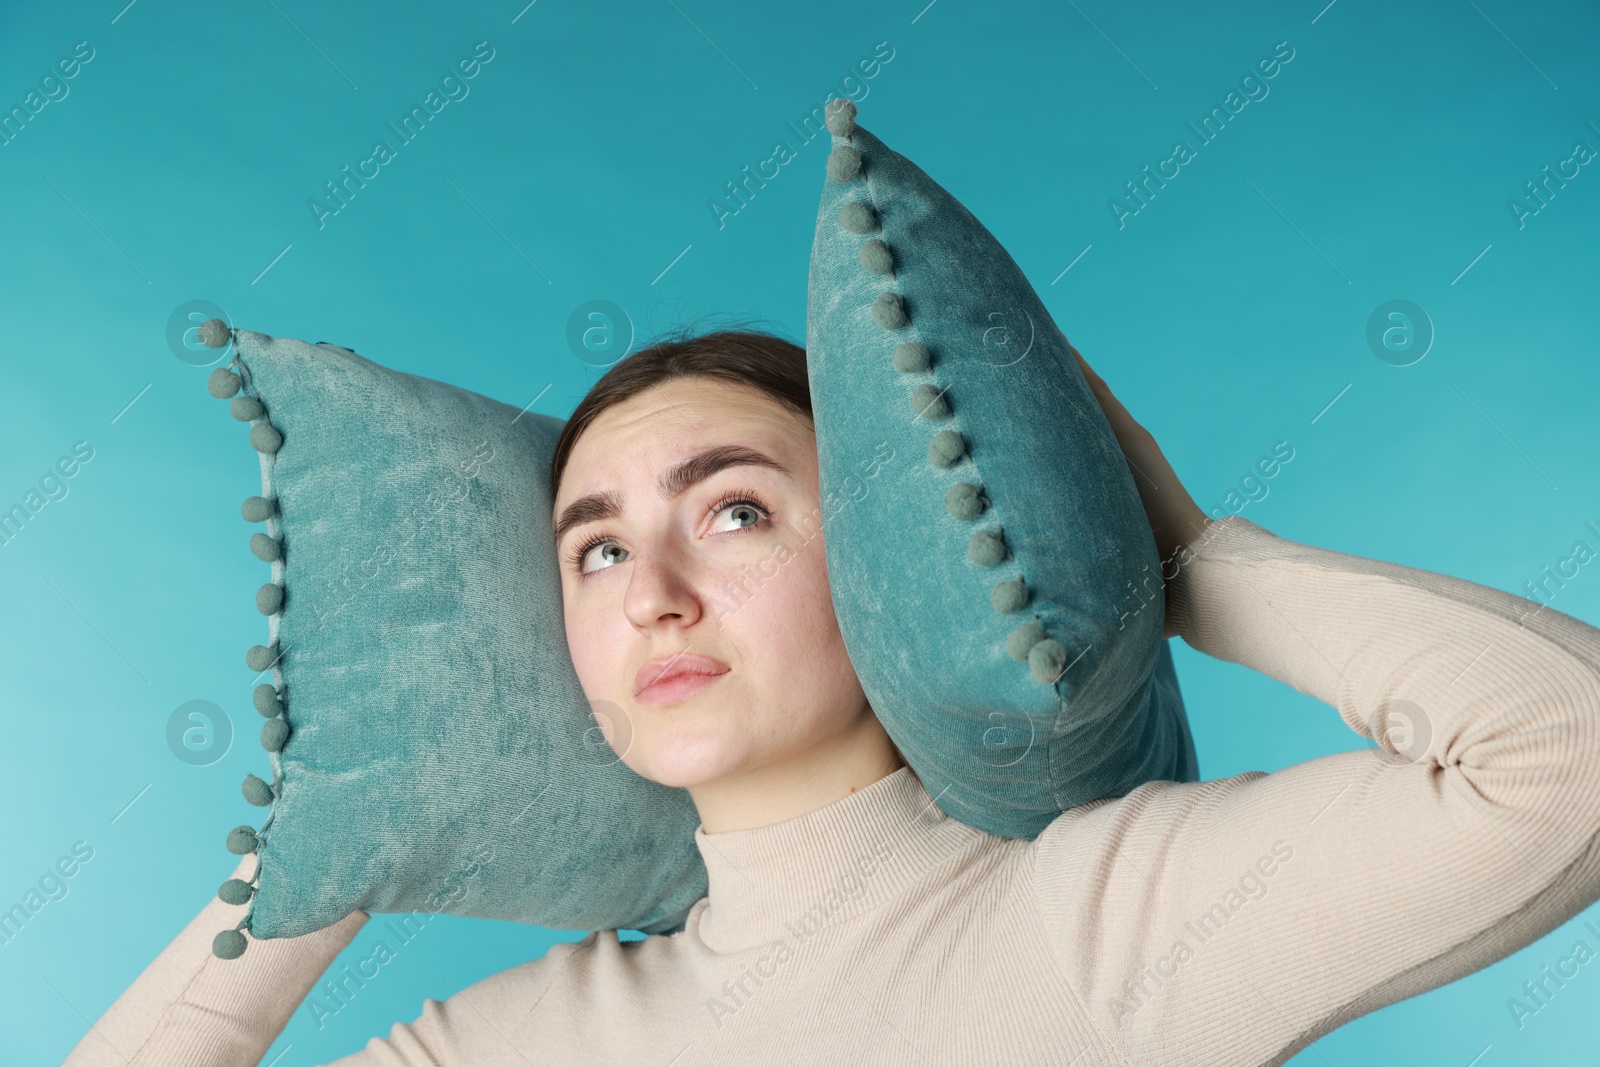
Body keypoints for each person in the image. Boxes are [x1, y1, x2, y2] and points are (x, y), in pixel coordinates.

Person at [63, 327, 1600, 1066]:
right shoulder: (534, 1038)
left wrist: (1174, 552)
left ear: (880, 555)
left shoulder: (1108, 927)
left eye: (733, 512)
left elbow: (1562, 754)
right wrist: (344, 818)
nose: (651, 589)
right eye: (592, 552)